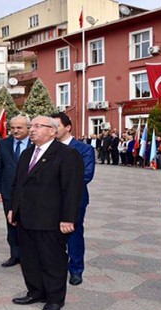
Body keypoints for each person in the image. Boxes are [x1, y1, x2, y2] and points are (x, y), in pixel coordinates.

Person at [8, 116, 84, 310]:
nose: (32, 129)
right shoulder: (27, 154)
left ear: (52, 131)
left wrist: (68, 218)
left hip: (51, 219)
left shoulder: (67, 154)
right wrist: (13, 209)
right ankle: (35, 291)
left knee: (52, 259)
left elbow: (72, 189)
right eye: (31, 126)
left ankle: (54, 298)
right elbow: (18, 185)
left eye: (37, 126)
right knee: (30, 258)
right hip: (26, 217)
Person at [52, 112, 95, 285]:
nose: (54, 130)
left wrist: (55, 184)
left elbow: (86, 175)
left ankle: (76, 269)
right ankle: (56, 267)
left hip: (75, 199)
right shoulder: (50, 148)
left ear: (68, 127)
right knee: (53, 234)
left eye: (57, 126)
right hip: (51, 200)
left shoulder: (84, 149)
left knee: (74, 233)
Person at [0, 114, 31, 267]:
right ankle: (14, 255)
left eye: (19, 128)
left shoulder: (35, 144)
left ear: (28, 128)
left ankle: (29, 256)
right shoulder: (3, 144)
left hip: (30, 193)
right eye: (13, 128)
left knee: (29, 224)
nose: (15, 131)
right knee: (11, 223)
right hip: (8, 191)